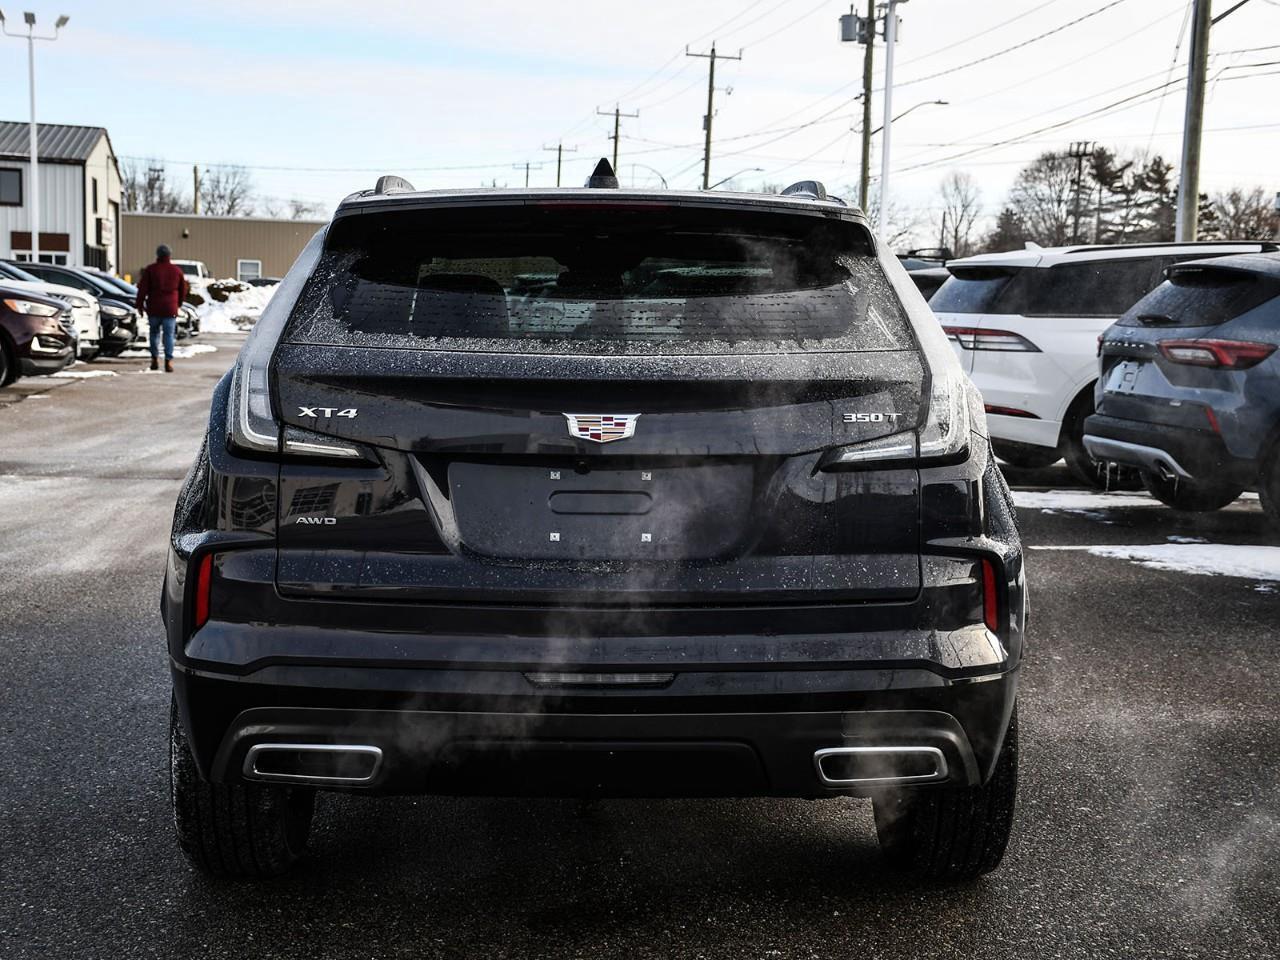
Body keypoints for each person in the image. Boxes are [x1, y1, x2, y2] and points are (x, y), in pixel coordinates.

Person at [135, 244, 189, 372]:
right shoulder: (177, 271)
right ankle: (168, 361)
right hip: (170, 309)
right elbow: (183, 290)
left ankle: (154, 359)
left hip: (154, 308)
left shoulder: (151, 270)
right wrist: (178, 303)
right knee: (169, 335)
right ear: (169, 255)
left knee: (154, 334)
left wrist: (140, 305)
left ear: (157, 255)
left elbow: (142, 289)